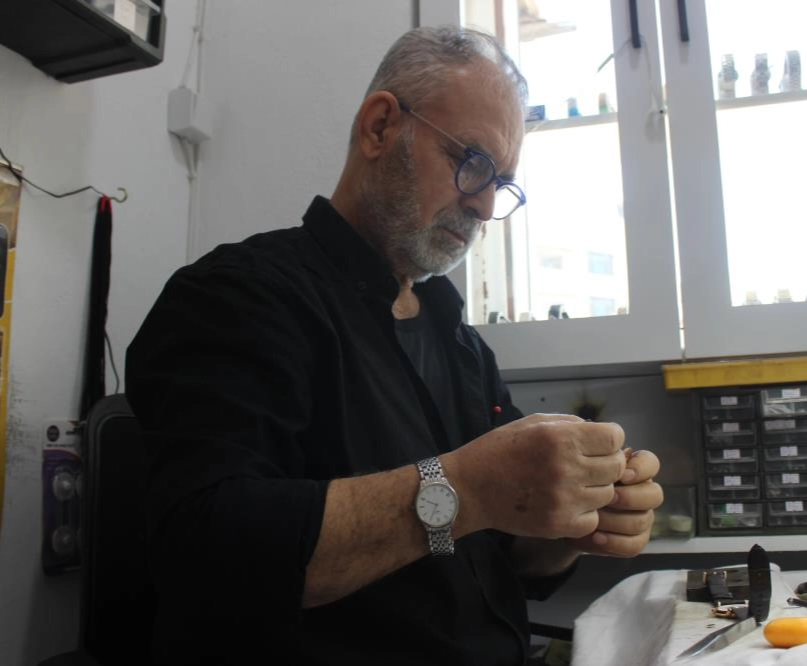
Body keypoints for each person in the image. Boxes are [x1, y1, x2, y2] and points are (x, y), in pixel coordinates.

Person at [125, 25, 663, 665]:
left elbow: (506, 553)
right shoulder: (237, 297)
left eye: (501, 183)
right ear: (380, 127)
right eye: (472, 163)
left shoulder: (456, 338)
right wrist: (466, 489)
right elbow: (206, 556)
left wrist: (576, 520)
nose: (485, 205)